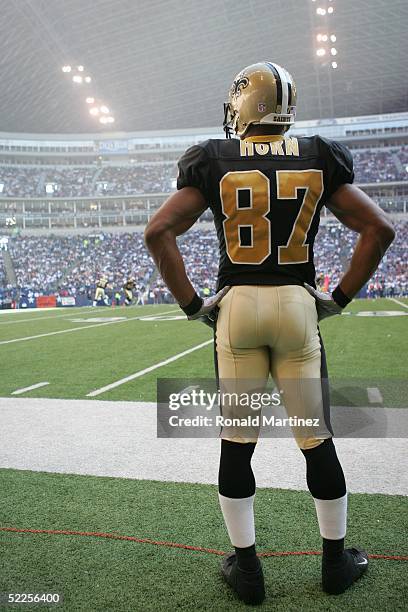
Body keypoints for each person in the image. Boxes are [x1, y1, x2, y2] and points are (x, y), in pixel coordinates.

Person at [144, 61, 395, 605]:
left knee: (237, 444)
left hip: (236, 308)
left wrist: (192, 304)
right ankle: (335, 563)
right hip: (297, 307)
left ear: (243, 105)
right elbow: (379, 228)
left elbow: (158, 229)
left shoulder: (212, 157)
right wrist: (340, 298)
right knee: (315, 438)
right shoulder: (317, 154)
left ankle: (250, 570)